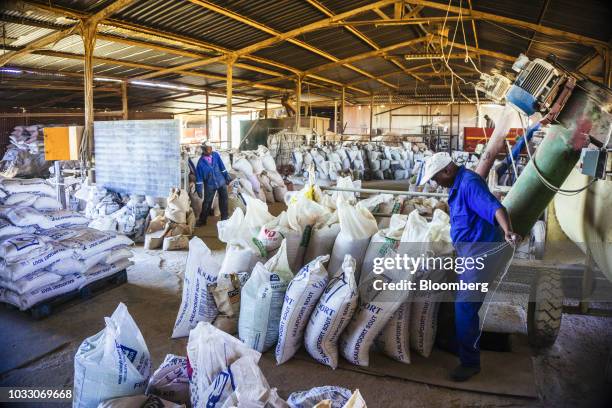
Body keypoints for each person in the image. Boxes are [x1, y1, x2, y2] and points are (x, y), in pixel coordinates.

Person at [418, 152, 520, 382]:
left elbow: (495, 208)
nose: (436, 183)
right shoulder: (457, 183)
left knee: (465, 306)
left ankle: (470, 363)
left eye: (436, 177)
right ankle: (460, 344)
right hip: (469, 252)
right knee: (461, 301)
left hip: (480, 254)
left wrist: (507, 230)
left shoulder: (469, 183)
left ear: (447, 170)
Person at [195, 142, 231, 227]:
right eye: (207, 149)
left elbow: (222, 167)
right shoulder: (200, 163)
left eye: (210, 148)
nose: (209, 150)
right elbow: (199, 179)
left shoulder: (216, 155)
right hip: (210, 185)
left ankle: (224, 218)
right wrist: (199, 189)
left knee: (224, 200)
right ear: (203, 150)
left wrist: (226, 176)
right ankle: (202, 220)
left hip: (221, 181)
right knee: (207, 202)